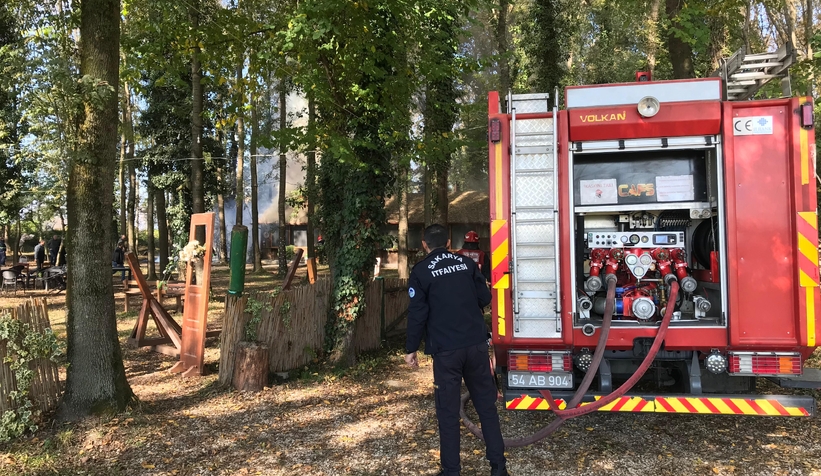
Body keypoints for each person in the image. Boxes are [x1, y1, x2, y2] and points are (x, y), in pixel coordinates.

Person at [404, 224, 507, 476]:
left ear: (424, 245)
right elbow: (485, 298)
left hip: (446, 352)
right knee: (487, 408)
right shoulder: (467, 264)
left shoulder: (421, 271)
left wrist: (411, 348)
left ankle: (451, 471)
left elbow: (417, 313)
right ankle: (499, 468)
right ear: (449, 243)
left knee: (448, 413)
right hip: (475, 346)